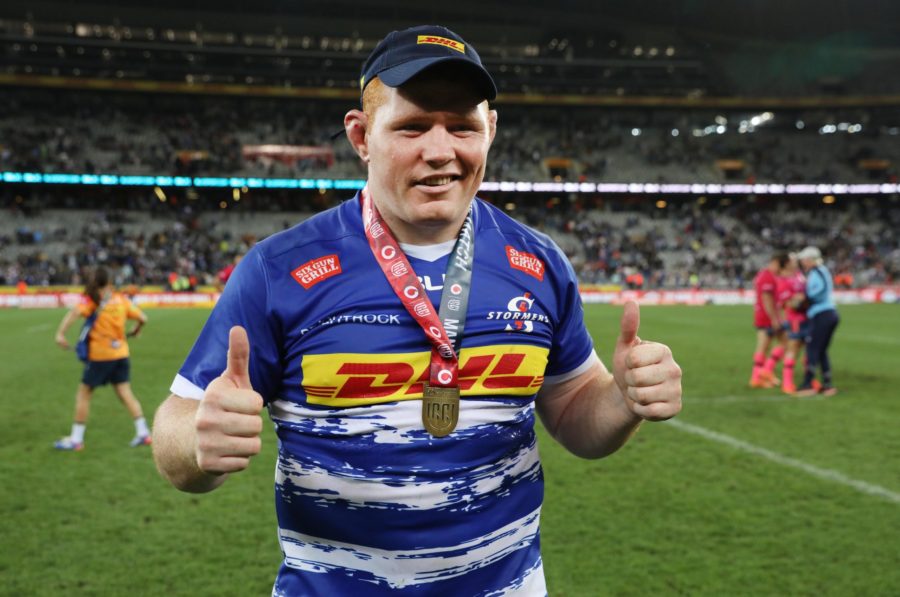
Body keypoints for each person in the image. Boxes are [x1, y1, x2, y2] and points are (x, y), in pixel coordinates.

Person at [152, 25, 682, 596]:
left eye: (462, 127)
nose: (440, 150)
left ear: (491, 131)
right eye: (412, 127)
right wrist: (198, 444)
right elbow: (177, 429)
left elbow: (578, 413)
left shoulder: (538, 261)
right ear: (361, 136)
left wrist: (624, 399)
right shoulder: (278, 270)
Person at [54, 267, 151, 450]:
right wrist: (136, 330)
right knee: (125, 392)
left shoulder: (94, 300)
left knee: (84, 394)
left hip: (101, 356)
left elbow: (75, 313)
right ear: (111, 283)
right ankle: (143, 433)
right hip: (121, 354)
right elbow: (143, 318)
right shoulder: (121, 300)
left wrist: (60, 334)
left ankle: (76, 440)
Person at [794, 246, 839, 397]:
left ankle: (807, 384)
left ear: (810, 259)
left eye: (804, 260)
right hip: (827, 313)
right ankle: (827, 384)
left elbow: (819, 291)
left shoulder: (818, 271)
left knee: (812, 348)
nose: (802, 263)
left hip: (822, 314)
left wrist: (805, 300)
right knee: (821, 350)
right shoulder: (819, 271)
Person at [749, 253, 789, 388]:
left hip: (767, 316)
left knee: (778, 344)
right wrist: (774, 319)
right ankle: (758, 377)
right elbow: (767, 300)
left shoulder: (766, 275)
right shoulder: (767, 276)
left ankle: (764, 373)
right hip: (766, 317)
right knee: (765, 347)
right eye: (782, 265)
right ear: (776, 262)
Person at [778, 254, 808, 394]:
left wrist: (802, 298)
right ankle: (787, 382)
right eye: (793, 260)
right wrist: (801, 299)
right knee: (793, 349)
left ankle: (809, 379)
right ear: (786, 264)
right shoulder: (783, 280)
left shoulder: (800, 276)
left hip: (807, 317)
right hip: (795, 319)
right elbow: (789, 303)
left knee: (808, 349)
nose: (796, 261)